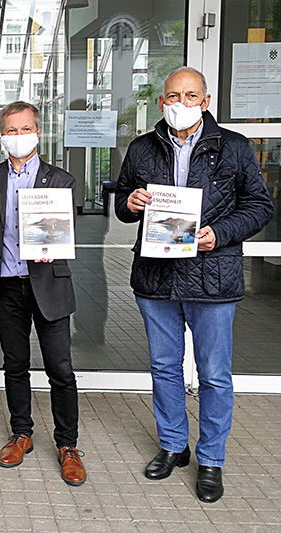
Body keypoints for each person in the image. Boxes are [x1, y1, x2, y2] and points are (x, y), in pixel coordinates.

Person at [115, 67, 274, 503]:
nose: (178, 104)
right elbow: (124, 203)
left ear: (205, 101)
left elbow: (260, 207)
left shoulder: (235, 148)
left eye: (189, 96)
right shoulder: (143, 148)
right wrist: (128, 203)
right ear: (161, 101)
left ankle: (211, 459)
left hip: (213, 277)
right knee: (164, 368)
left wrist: (218, 234)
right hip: (156, 277)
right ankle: (172, 446)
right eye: (171, 96)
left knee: (214, 375)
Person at [0, 101, 86, 486]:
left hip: (49, 285)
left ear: (37, 132)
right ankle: (22, 433)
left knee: (60, 369)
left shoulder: (62, 180)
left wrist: (57, 241)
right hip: (6, 286)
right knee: (14, 364)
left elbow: (68, 231)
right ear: (1, 136)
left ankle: (68, 445)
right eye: (11, 130)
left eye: (25, 129)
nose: (18, 137)